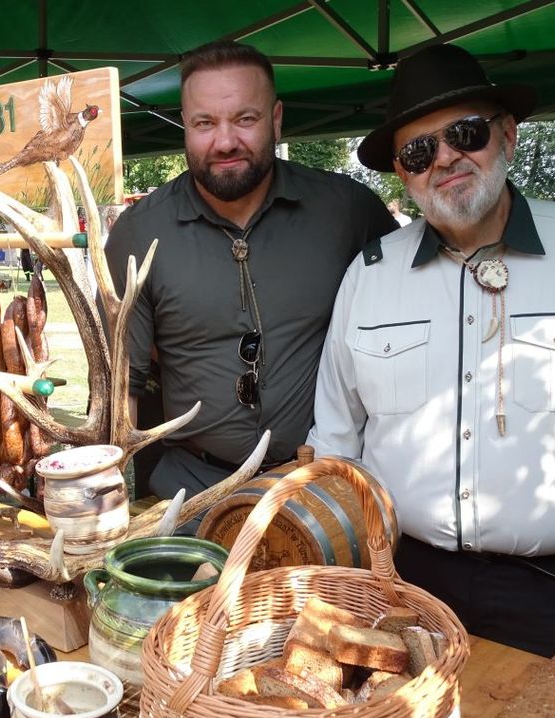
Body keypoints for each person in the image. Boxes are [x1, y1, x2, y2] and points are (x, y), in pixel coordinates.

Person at [307, 43, 555, 657]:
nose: (444, 158)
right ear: (401, 171)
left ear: (508, 135)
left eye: (464, 133)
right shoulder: (369, 274)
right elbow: (337, 440)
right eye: (418, 151)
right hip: (403, 583)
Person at [105, 40, 396, 506]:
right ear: (185, 125)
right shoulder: (139, 233)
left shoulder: (347, 211)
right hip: (190, 497)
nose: (224, 142)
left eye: (245, 119)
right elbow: (122, 386)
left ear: (276, 119)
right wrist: (105, 502)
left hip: (318, 489)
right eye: (204, 123)